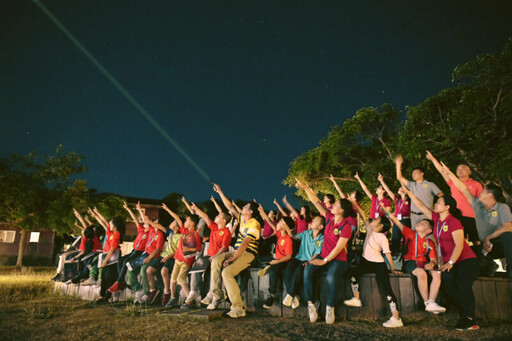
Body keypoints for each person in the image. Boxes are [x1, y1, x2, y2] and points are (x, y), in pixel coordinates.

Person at [403, 182, 479, 331]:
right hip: (451, 262)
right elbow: (422, 206)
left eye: (439, 203)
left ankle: (470, 319)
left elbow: (459, 245)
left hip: (466, 260)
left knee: (463, 285)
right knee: (448, 284)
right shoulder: (437, 220)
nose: (436, 204)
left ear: (447, 207)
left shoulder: (454, 222)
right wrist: (410, 193)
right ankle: (463, 316)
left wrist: (450, 262)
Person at [296, 178, 354, 325]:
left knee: (330, 278)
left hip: (338, 259)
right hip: (323, 255)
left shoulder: (345, 226)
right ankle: (311, 305)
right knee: (308, 270)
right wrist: (305, 188)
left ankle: (330, 307)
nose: (332, 205)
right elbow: (316, 202)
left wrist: (325, 260)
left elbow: (339, 247)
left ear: (342, 210)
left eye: (336, 205)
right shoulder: (328, 218)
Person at [443, 164, 512, 279]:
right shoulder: (477, 205)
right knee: (465, 251)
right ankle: (488, 266)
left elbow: (507, 226)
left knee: (507, 236)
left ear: (490, 195)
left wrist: (488, 238)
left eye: (483, 191)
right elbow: (463, 188)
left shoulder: (502, 207)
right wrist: (449, 172)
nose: (480, 193)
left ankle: (511, 269)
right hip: (485, 248)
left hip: (499, 245)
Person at [380, 201, 445, 314]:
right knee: (421, 273)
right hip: (410, 262)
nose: (420, 223)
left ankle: (431, 301)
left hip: (423, 264)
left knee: (437, 273)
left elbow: (433, 259)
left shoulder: (430, 242)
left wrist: (432, 264)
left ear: (429, 231)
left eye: (424, 223)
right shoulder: (410, 233)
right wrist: (388, 213)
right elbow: (398, 223)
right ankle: (426, 302)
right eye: (421, 221)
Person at [208, 183, 261, 318]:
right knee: (215, 260)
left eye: (244, 207)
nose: (241, 208)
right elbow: (230, 207)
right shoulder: (242, 219)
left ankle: (238, 307)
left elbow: (245, 244)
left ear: (250, 212)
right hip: (236, 251)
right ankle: (217, 295)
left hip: (248, 254)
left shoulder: (254, 224)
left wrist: (232, 259)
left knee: (227, 273)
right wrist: (220, 191)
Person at [343, 209, 403, 328]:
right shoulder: (370, 228)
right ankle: (356, 298)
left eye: (376, 219)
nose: (373, 219)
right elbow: (363, 214)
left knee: (386, 289)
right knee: (353, 272)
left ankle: (396, 318)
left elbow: (387, 254)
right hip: (366, 262)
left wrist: (392, 269)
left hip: (378, 264)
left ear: (381, 226)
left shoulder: (382, 238)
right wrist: (354, 203)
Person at [426, 151, 483, 246]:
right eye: (458, 169)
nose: (460, 170)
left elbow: (481, 202)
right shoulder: (453, 182)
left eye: (464, 168)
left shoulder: (476, 185)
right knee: (459, 240)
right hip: (456, 215)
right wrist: (432, 159)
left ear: (470, 172)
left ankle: (481, 259)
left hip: (472, 217)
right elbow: (442, 171)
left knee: (476, 241)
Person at [183, 203, 232, 309]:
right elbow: (205, 217)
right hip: (209, 256)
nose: (216, 216)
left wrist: (215, 256)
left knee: (213, 274)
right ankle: (193, 291)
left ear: (224, 221)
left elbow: (224, 247)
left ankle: (214, 296)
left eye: (219, 216)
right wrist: (196, 208)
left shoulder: (226, 232)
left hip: (220, 257)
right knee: (196, 268)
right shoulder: (214, 228)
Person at [282, 215, 325, 310]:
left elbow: (317, 253)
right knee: (288, 271)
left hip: (308, 260)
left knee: (299, 270)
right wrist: (286, 228)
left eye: (316, 220)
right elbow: (294, 236)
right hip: (299, 258)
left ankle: (290, 294)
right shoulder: (306, 233)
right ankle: (295, 296)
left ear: (320, 227)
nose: (313, 220)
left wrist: (310, 262)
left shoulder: (321, 238)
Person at [108, 201, 150, 293]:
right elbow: (135, 219)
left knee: (126, 262)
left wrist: (140, 210)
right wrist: (129, 209)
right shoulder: (141, 230)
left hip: (140, 252)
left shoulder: (149, 233)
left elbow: (146, 220)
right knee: (121, 260)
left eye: (146, 222)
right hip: (134, 251)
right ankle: (121, 282)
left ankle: (118, 282)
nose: (144, 222)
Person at [258, 204, 294, 310]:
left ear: (284, 226)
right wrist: (262, 211)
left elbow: (288, 256)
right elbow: (269, 221)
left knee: (273, 270)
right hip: (276, 259)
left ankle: (271, 295)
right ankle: (267, 265)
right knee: (259, 259)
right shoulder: (279, 234)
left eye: (279, 223)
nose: (276, 224)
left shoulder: (287, 239)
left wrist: (276, 262)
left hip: (283, 262)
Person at [395, 155, 443, 229]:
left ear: (422, 174)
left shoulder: (430, 185)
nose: (413, 175)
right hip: (414, 216)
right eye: (412, 173)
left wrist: (437, 208)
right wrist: (398, 164)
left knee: (428, 236)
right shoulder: (412, 184)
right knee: (415, 236)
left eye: (415, 173)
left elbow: (441, 195)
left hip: (426, 215)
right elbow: (399, 178)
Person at [90, 207, 125, 304]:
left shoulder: (117, 235)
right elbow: (104, 222)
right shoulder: (111, 233)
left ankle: (107, 297)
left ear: (115, 226)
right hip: (107, 257)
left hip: (112, 259)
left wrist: (105, 261)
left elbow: (113, 249)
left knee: (109, 277)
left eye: (111, 223)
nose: (109, 224)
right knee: (104, 277)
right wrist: (96, 213)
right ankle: (102, 296)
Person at [378, 173, 411, 255]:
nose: (399, 189)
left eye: (401, 188)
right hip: (397, 221)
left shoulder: (410, 200)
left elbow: (405, 188)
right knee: (395, 238)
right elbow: (388, 191)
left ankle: (407, 256)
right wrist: (382, 181)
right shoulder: (397, 199)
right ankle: (395, 256)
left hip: (406, 221)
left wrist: (401, 180)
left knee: (407, 239)